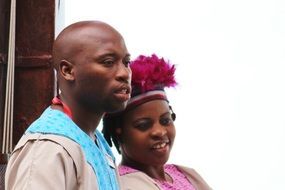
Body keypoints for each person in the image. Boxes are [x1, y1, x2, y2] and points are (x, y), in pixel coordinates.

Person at [5, 20, 132, 190]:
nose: (124, 73)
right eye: (108, 62)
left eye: (126, 62)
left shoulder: (97, 142)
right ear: (67, 71)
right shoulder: (48, 148)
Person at [102, 54, 212, 190]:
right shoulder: (125, 185)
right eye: (143, 125)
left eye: (166, 120)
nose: (159, 131)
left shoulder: (185, 174)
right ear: (118, 130)